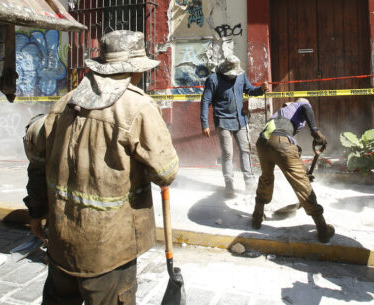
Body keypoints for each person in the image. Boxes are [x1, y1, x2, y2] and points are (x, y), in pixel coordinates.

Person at [24, 30, 179, 305]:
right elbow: (165, 172)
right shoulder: (138, 106)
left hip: (61, 243)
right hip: (110, 251)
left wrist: (36, 211)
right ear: (134, 71)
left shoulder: (63, 103)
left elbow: (37, 164)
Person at [251, 98, 335, 243]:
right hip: (280, 143)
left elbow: (281, 138)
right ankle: (322, 229)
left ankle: (257, 217)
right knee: (302, 184)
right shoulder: (299, 105)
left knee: (266, 178)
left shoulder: (280, 113)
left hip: (263, 143)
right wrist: (315, 131)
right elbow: (306, 107)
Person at [200, 54, 267, 197]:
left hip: (240, 120)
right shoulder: (213, 79)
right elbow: (205, 101)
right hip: (223, 121)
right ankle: (229, 184)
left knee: (245, 150)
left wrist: (260, 89)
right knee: (228, 153)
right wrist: (204, 123)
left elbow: (249, 90)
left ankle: (250, 182)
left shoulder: (241, 76)